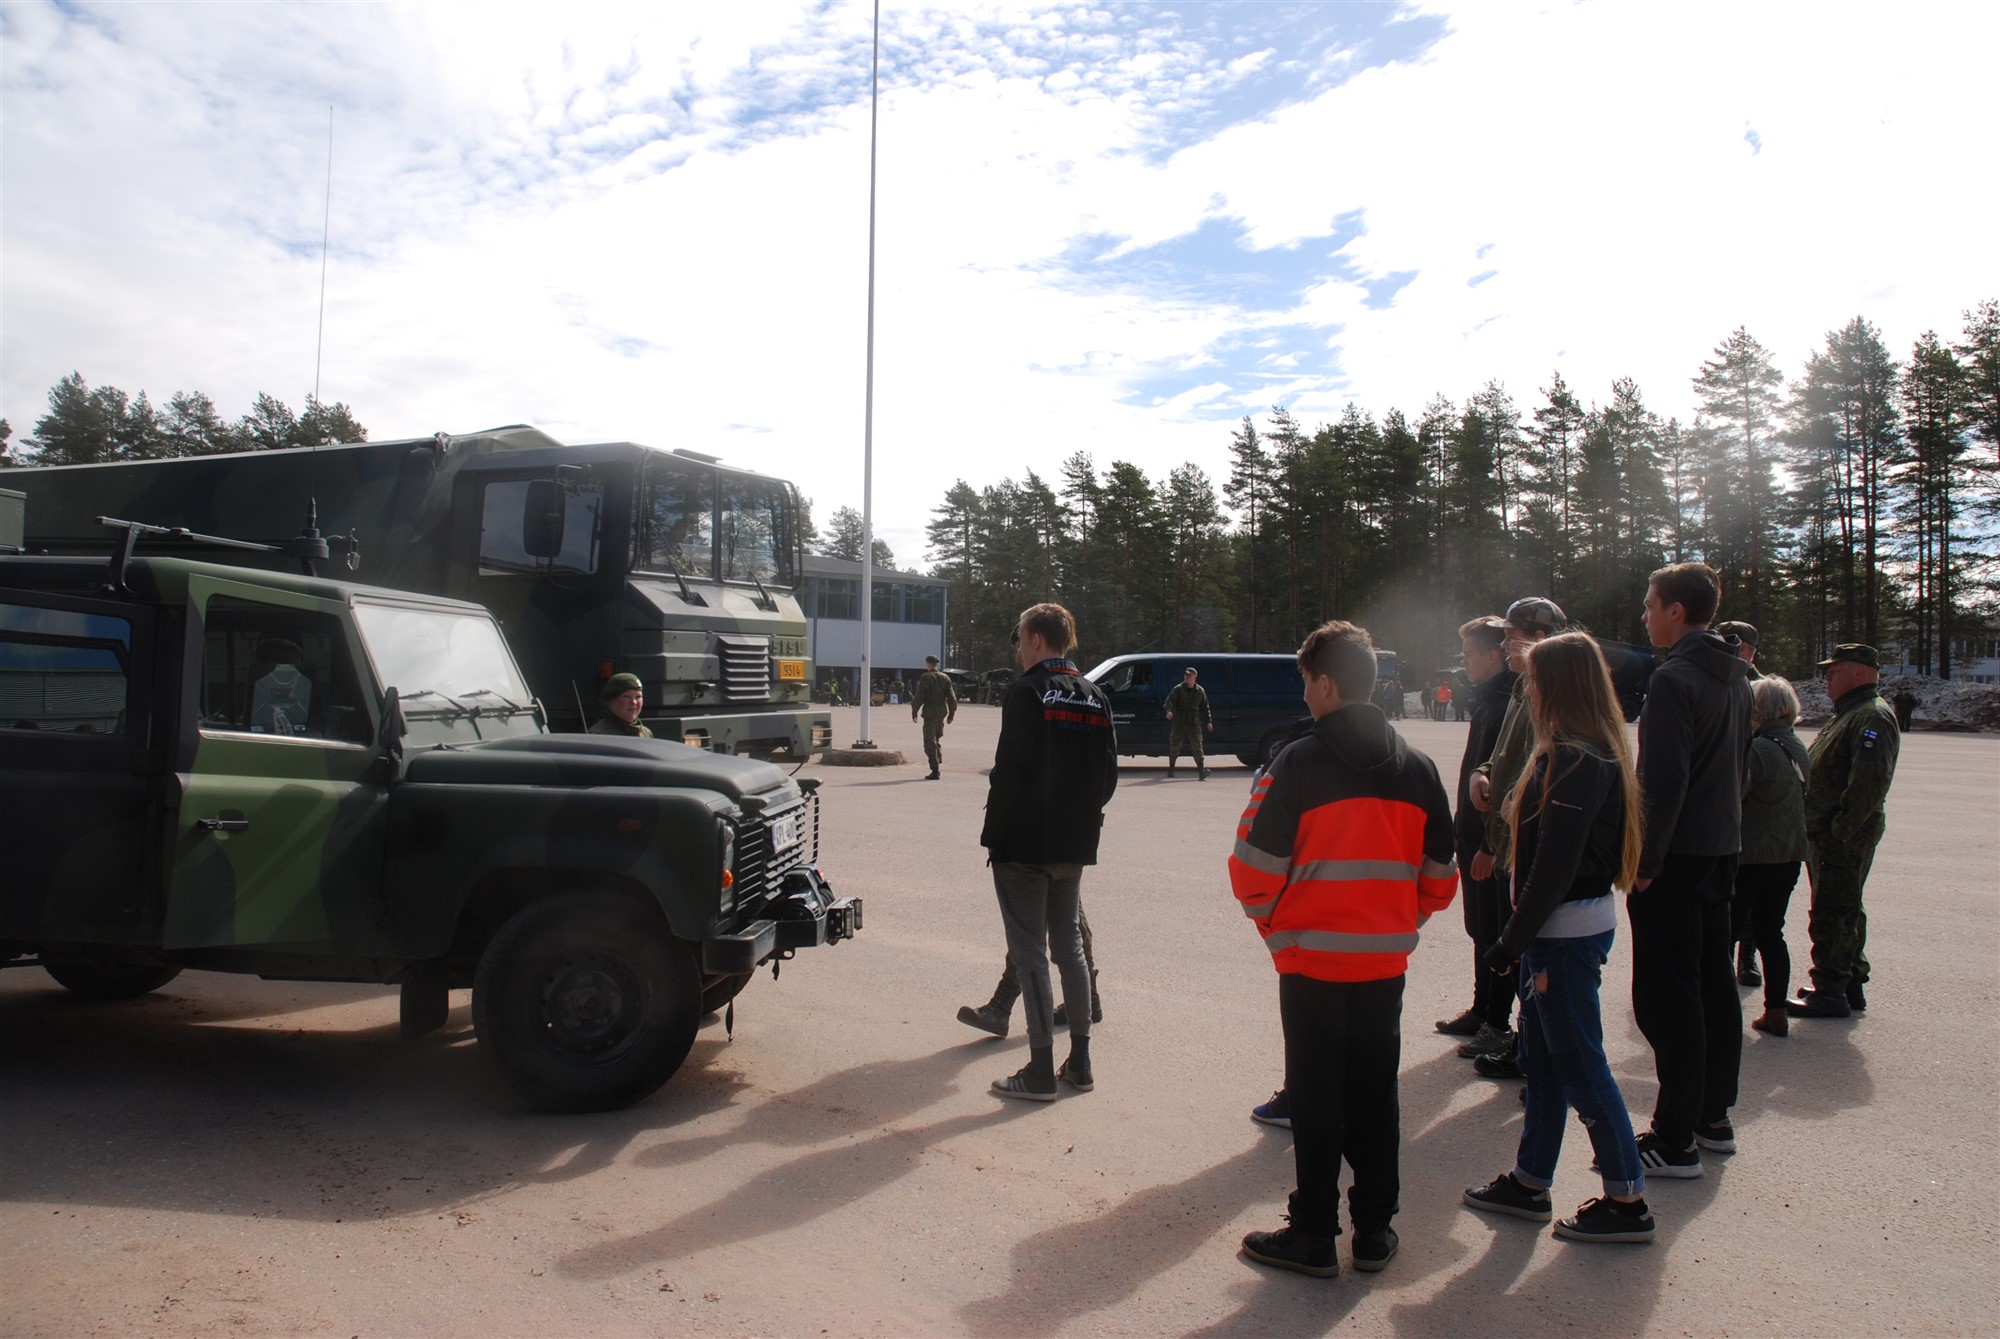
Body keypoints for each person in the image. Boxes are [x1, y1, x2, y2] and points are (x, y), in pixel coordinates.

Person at [1231, 620, 1457, 1278]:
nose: (1304, 694)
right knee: (1375, 1096)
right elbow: (1441, 878)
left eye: (1306, 681)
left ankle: (1312, 1233)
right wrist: (1398, 922)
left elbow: (1251, 869)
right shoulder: (1419, 768)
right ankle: (1375, 1230)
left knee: (1316, 1096)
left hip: (1310, 963)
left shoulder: (1296, 762)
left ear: (1325, 684)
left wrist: (1278, 930)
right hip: (1384, 963)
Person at [1461, 632, 1655, 1244]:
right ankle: (1530, 1181)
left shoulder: (1573, 758)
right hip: (1561, 931)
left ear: (1560, 685)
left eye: (1535, 681)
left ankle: (1627, 1199)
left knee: (1580, 1066)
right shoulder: (1579, 751)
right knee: (1543, 1064)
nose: (1529, 692)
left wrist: (1509, 942)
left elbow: (1554, 868)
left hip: (1561, 936)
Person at [1628, 562, 1753, 1176]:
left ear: (1676, 611)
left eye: (1651, 605)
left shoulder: (1674, 679)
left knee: (1665, 997)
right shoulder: (1738, 677)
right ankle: (1711, 1116)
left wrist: (1645, 861)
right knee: (1711, 985)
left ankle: (1673, 1137)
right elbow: (1739, 769)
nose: (1645, 615)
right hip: (1720, 849)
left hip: (1676, 858)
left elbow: (1662, 781)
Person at [978, 603, 1117, 1101]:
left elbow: (1009, 773)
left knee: (1031, 952)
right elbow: (1108, 776)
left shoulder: (1026, 691)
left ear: (1037, 639)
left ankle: (1039, 1071)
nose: (1017, 649)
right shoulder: (1096, 695)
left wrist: (994, 836)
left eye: (1020, 639)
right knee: (1070, 949)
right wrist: (1078, 817)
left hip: (1024, 843)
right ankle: (1080, 1062)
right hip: (1074, 843)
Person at [1463, 596, 1569, 1079]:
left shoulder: (1558, 696)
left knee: (1528, 952)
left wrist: (1492, 844)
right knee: (1513, 946)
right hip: (1507, 842)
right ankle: (1524, 1042)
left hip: (1524, 847)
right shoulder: (1524, 688)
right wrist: (1482, 774)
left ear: (1540, 639)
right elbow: (1504, 755)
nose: (1504, 644)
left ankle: (1531, 1050)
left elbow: (1541, 773)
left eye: (1512, 636)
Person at [1789, 644, 1901, 1019]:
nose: (1828, 678)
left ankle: (1830, 989)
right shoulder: (1851, 712)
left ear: (1860, 673)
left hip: (1841, 834)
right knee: (1846, 905)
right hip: (1829, 830)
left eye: (1835, 671)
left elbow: (1869, 780)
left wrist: (1841, 829)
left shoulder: (1871, 716)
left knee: (1832, 910)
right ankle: (1849, 981)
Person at [1436, 617, 1518, 1053]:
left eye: (1470, 655)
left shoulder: (1506, 704)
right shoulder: (1487, 700)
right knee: (1478, 928)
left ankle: (1497, 1023)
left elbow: (1504, 782)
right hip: (1472, 837)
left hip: (1491, 844)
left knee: (1495, 931)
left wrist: (1489, 844)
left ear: (1492, 656)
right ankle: (1482, 1008)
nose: (1464, 662)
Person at [1734, 676, 1810, 1035]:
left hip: (1753, 855)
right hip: (1789, 854)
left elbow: (1736, 795)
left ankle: (1717, 1011)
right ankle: (1776, 1010)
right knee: (1771, 933)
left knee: (1725, 931)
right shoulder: (1796, 745)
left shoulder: (1759, 749)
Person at [910, 655, 957, 780]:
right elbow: (952, 698)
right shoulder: (945, 677)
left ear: (928, 664)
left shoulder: (926, 677)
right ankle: (937, 761)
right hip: (941, 712)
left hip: (930, 712)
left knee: (929, 741)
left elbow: (920, 696)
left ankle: (935, 770)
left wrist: (914, 711)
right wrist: (951, 714)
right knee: (936, 738)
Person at [1164, 666, 1213, 779]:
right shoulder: (1178, 689)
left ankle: (1201, 771)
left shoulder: (1200, 691)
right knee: (1174, 747)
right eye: (1186, 675)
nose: (1187, 677)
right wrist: (1169, 711)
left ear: (1194, 677)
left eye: (1189, 676)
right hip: (1179, 723)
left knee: (1197, 747)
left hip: (1194, 724)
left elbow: (1205, 707)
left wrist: (1209, 721)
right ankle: (1171, 770)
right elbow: (1169, 701)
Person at [590, 672, 652, 737]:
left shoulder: (645, 733)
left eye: (638, 697)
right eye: (626, 696)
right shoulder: (598, 735)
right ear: (610, 701)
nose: (633, 702)